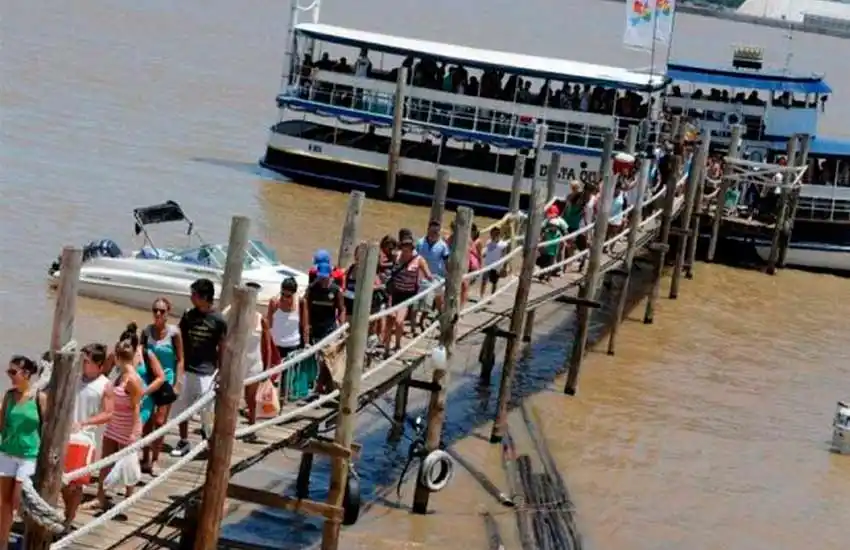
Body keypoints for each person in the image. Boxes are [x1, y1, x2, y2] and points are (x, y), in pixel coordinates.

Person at [171, 278, 227, 458]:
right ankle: (183, 440)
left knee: (207, 412)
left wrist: (222, 371)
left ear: (204, 297)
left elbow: (223, 347)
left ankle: (209, 441)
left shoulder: (218, 320)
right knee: (182, 408)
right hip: (187, 369)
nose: (191, 297)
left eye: (194, 294)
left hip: (207, 372)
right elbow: (179, 339)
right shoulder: (188, 316)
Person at [63, 344, 113, 525]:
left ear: (99, 364)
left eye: (86, 361)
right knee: (60, 483)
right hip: (62, 436)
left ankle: (68, 519)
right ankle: (65, 515)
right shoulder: (73, 377)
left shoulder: (105, 385)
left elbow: (108, 414)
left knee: (75, 484)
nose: (82, 363)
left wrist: (85, 423)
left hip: (84, 439)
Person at [0, 356, 46, 544]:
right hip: (7, 453)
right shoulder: (9, 396)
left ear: (26, 374)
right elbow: (1, 425)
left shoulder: (39, 398)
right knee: (4, 504)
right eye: (8, 371)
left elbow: (47, 428)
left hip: (28, 456)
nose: (9, 375)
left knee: (20, 502)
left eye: (13, 372)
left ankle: (28, 540)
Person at [97, 339, 145, 509]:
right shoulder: (120, 376)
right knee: (105, 461)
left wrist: (133, 433)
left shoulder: (132, 379)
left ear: (118, 357)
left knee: (128, 465)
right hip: (114, 424)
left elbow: (137, 407)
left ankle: (127, 498)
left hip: (127, 427)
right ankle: (100, 497)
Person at [222, 283, 272, 441]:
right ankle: (228, 427)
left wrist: (268, 368)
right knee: (231, 397)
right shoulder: (229, 312)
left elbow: (267, 345)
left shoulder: (260, 319)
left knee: (251, 398)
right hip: (235, 361)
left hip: (254, 362)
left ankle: (252, 427)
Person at [140, 298, 183, 474]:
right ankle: (145, 457)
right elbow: (139, 355)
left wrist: (177, 383)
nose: (158, 314)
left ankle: (155, 458)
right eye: (155, 310)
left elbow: (180, 359)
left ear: (168, 313)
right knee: (147, 420)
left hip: (166, 380)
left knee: (160, 421)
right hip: (149, 380)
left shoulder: (174, 333)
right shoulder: (146, 331)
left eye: (162, 311)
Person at [383, 234, 432, 355]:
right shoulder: (397, 256)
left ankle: (398, 344)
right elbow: (385, 260)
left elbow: (429, 275)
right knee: (390, 320)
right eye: (403, 246)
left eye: (408, 246)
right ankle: (387, 348)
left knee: (399, 321)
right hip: (394, 293)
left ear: (412, 248)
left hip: (407, 296)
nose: (405, 249)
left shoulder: (419, 260)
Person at [267, 277, 314, 400]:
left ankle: (283, 400)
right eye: (283, 294)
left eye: (288, 296)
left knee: (287, 378)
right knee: (270, 376)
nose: (285, 298)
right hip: (276, 345)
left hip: (292, 345)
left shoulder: (301, 303)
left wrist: (307, 343)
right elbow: (269, 324)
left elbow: (305, 325)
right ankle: (271, 400)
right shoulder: (274, 302)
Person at [415, 220, 450, 325]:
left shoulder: (443, 246)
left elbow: (447, 262)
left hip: (437, 277)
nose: (434, 234)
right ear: (428, 230)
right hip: (421, 276)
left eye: (436, 232)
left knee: (438, 299)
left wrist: (449, 276)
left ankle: (440, 316)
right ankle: (419, 320)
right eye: (432, 231)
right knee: (421, 299)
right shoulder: (420, 242)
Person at [305, 262, 345, 344]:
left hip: (329, 330)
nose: (322, 279)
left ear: (330, 276)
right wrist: (307, 326)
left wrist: (341, 328)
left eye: (324, 277)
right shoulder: (312, 289)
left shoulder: (336, 290)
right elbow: (306, 308)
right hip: (314, 329)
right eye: (320, 277)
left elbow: (342, 310)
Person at [538, 204, 568, 281]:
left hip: (557, 242)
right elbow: (542, 229)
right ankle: (543, 273)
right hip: (547, 244)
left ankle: (558, 270)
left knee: (560, 255)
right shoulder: (547, 221)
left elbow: (565, 231)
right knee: (545, 260)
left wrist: (564, 240)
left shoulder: (560, 221)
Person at [480, 225, 508, 296]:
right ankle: (481, 296)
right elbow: (486, 252)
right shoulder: (488, 242)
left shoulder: (503, 244)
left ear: (498, 234)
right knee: (484, 281)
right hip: (487, 264)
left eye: (494, 234)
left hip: (497, 267)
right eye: (491, 234)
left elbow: (505, 256)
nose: (492, 236)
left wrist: (504, 267)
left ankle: (492, 296)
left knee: (494, 282)